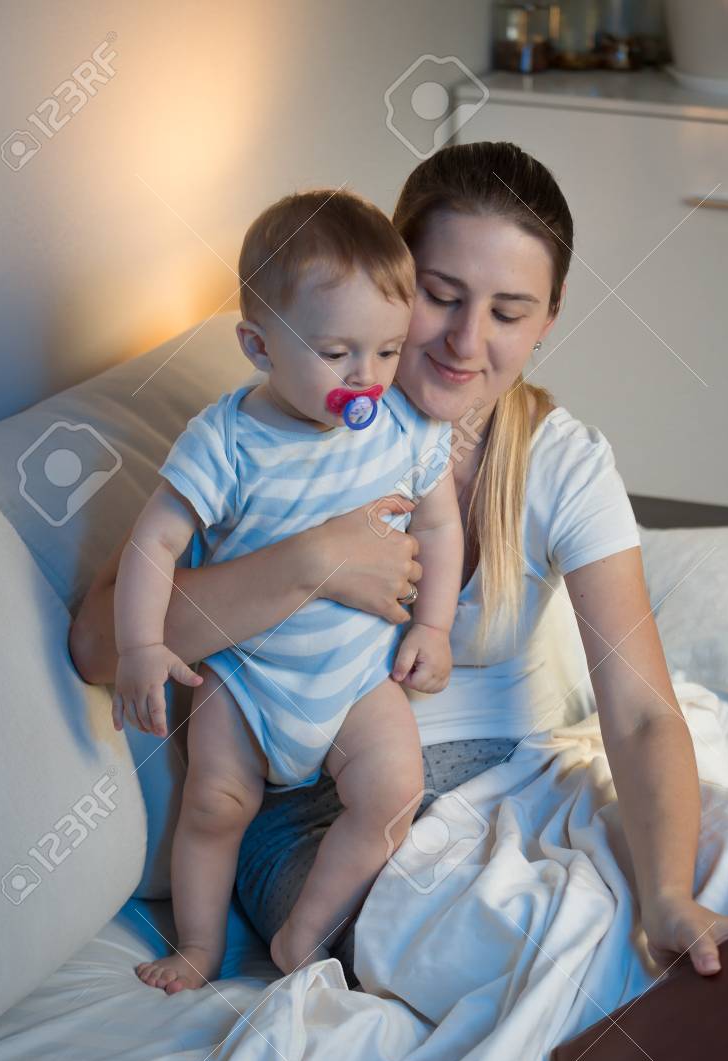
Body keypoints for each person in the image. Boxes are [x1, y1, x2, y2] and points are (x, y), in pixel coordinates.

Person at [70, 141, 728, 987]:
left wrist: (671, 893)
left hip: (508, 782)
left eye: (509, 311)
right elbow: (101, 643)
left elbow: (644, 716)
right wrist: (314, 562)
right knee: (518, 954)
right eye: (441, 295)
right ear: (390, 276)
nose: (466, 342)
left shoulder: (563, 462)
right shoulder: (288, 422)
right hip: (322, 812)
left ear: (550, 317)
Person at [110, 190, 462, 992]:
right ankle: (198, 948)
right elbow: (155, 538)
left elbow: (439, 527)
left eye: (385, 351)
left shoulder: (405, 425)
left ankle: (303, 933)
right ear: (259, 345)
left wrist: (433, 627)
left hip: (354, 676)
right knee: (215, 806)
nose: (366, 378)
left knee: (394, 790)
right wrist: (140, 646)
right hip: (247, 677)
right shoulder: (227, 438)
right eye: (338, 353)